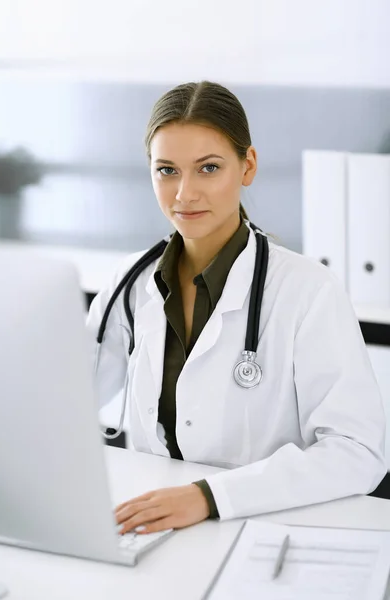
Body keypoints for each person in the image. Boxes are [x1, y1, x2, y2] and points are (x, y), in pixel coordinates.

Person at [87, 81, 386, 536]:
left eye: (208, 168)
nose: (184, 193)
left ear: (247, 166)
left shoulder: (308, 290)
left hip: (265, 529)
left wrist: (210, 497)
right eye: (166, 170)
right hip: (154, 526)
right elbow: (69, 398)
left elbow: (357, 451)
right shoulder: (130, 282)